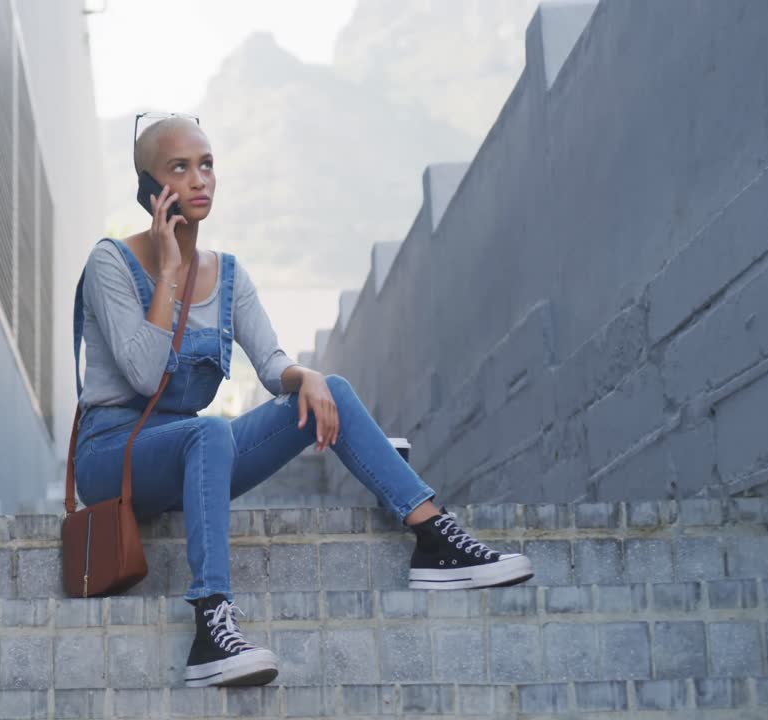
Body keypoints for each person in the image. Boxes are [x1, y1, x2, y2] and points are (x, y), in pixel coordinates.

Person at [70, 114, 533, 688]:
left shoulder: (228, 276)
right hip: (112, 455)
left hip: (192, 457)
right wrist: (167, 270)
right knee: (209, 430)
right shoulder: (110, 263)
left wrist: (305, 375)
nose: (199, 180)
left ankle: (435, 538)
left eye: (207, 164)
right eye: (180, 169)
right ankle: (211, 624)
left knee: (327, 389)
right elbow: (142, 374)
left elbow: (271, 366)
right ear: (149, 189)